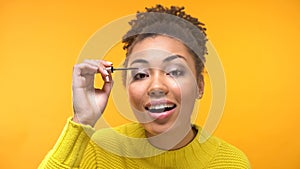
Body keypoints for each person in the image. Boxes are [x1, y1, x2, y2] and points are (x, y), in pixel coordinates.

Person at [39, 4, 251, 169]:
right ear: (126, 87)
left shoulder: (231, 163)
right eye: (140, 74)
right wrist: (82, 120)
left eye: (175, 71)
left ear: (200, 86)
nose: (156, 86)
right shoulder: (99, 150)